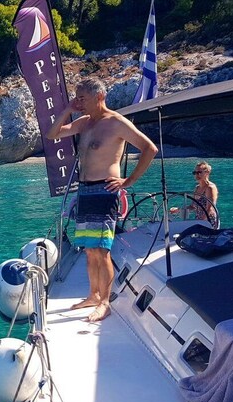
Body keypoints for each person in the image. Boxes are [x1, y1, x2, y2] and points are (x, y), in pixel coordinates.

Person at [47, 77, 158, 322]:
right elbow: (52, 133)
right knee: (89, 250)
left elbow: (149, 149)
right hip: (85, 191)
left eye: (82, 98)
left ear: (99, 97)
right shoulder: (84, 123)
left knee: (102, 251)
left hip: (104, 192)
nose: (79, 102)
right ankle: (93, 295)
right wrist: (67, 109)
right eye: (77, 98)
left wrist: (127, 182)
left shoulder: (117, 123)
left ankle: (105, 302)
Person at [170, 161, 218, 225]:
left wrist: (200, 222)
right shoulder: (197, 188)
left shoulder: (210, 187)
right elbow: (193, 206)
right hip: (199, 220)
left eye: (199, 172)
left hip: (208, 221)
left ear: (207, 173)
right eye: (195, 173)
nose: (197, 175)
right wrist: (178, 210)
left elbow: (209, 208)